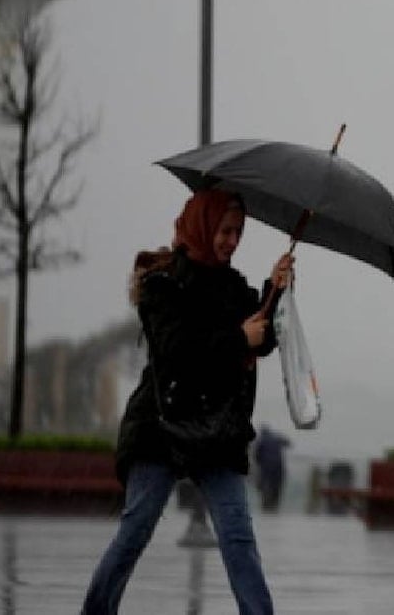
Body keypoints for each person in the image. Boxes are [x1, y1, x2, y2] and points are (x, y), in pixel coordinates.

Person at [81, 189, 293, 615]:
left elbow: (262, 337)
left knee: (237, 538)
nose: (232, 241)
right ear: (202, 225)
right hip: (161, 424)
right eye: (224, 231)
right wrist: (238, 338)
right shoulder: (163, 283)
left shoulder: (234, 287)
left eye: (238, 233)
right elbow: (176, 350)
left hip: (217, 430)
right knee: (135, 531)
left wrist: (275, 289)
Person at [253, 424, 292, 512]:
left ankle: (266, 504)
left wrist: (259, 464)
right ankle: (275, 504)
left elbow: (256, 455)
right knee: (277, 485)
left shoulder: (261, 440)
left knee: (265, 484)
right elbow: (288, 443)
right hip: (278, 465)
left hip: (266, 467)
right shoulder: (276, 438)